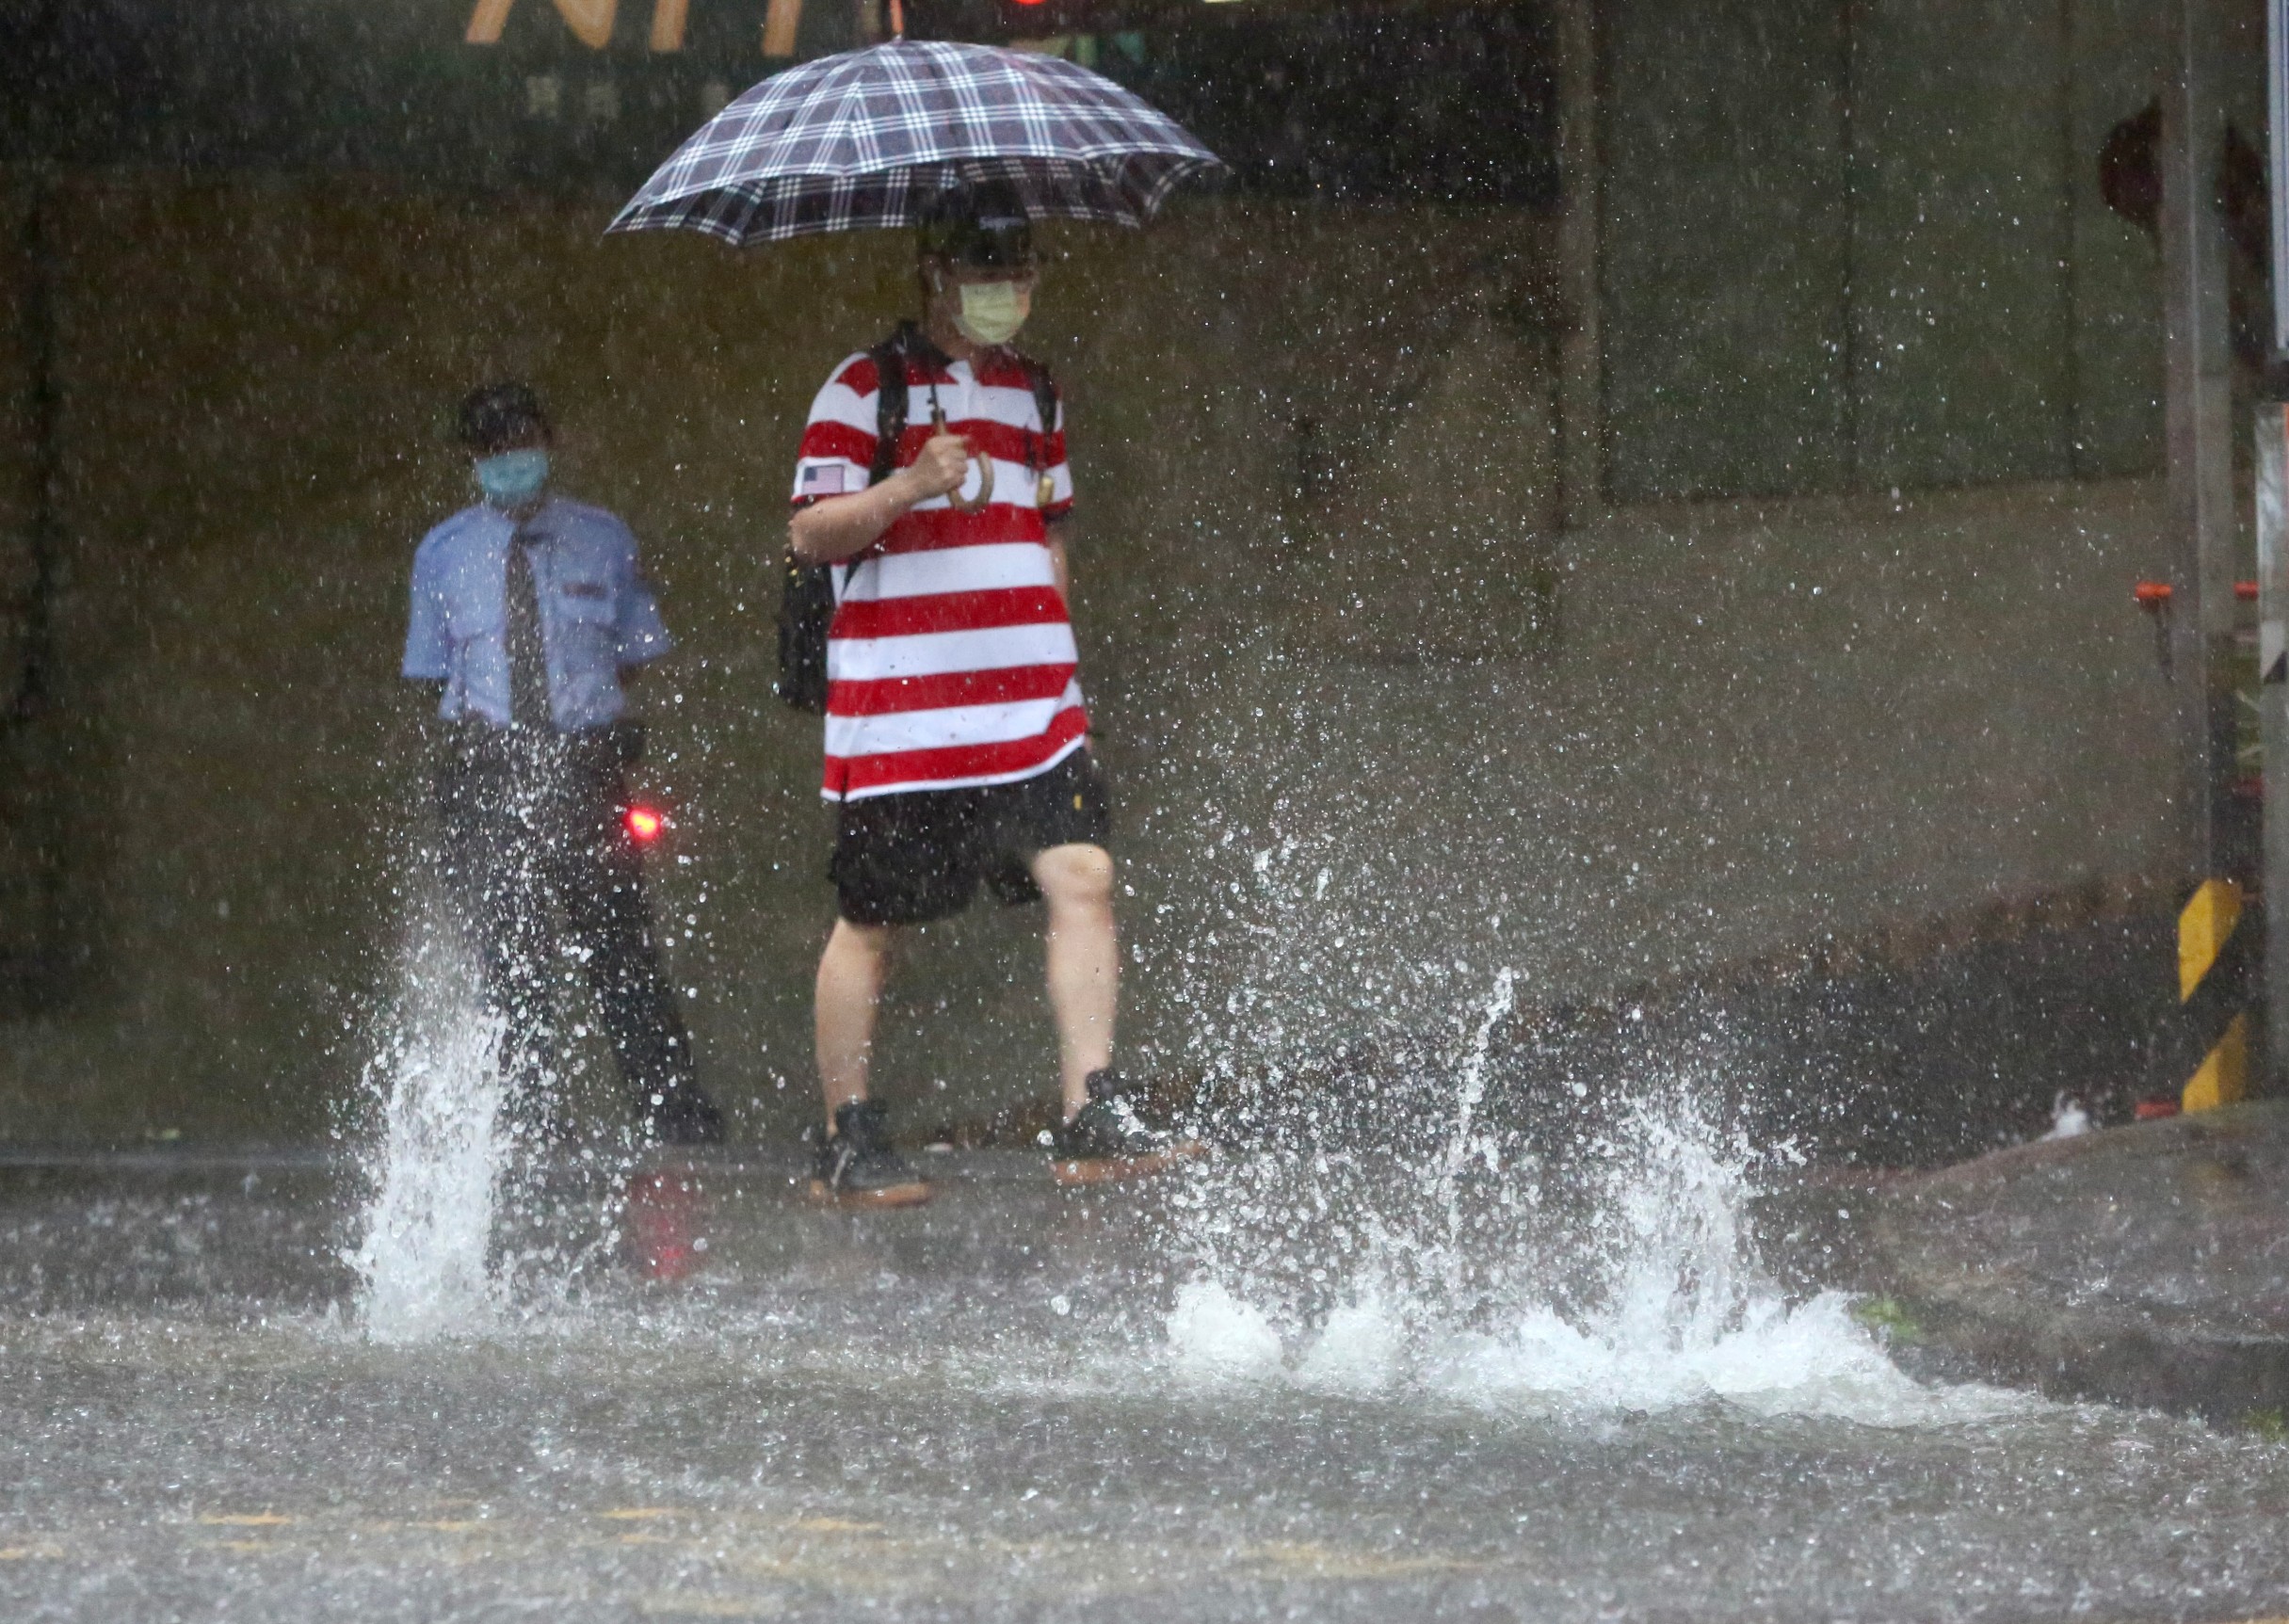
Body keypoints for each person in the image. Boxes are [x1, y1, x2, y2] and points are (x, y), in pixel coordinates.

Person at [786, 183, 1195, 1206]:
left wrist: (1061, 655)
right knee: (873, 919)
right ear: (935, 274)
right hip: (903, 712)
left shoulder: (1036, 394)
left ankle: (1089, 1109)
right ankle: (848, 1131)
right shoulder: (861, 388)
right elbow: (811, 533)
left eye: (1019, 272)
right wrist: (907, 485)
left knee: (1082, 874)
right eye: (985, 273)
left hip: (1029, 707)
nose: (1005, 292)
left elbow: (1051, 525)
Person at [403, 382, 723, 1148]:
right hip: (489, 767)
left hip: (584, 764)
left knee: (621, 947)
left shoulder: (602, 538)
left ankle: (671, 1112)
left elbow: (634, 651)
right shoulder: (443, 553)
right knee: (509, 955)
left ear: (549, 442)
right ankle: (529, 1121)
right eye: (493, 449)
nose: (510, 460)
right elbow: (430, 673)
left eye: (522, 442)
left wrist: (584, 727)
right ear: (472, 460)